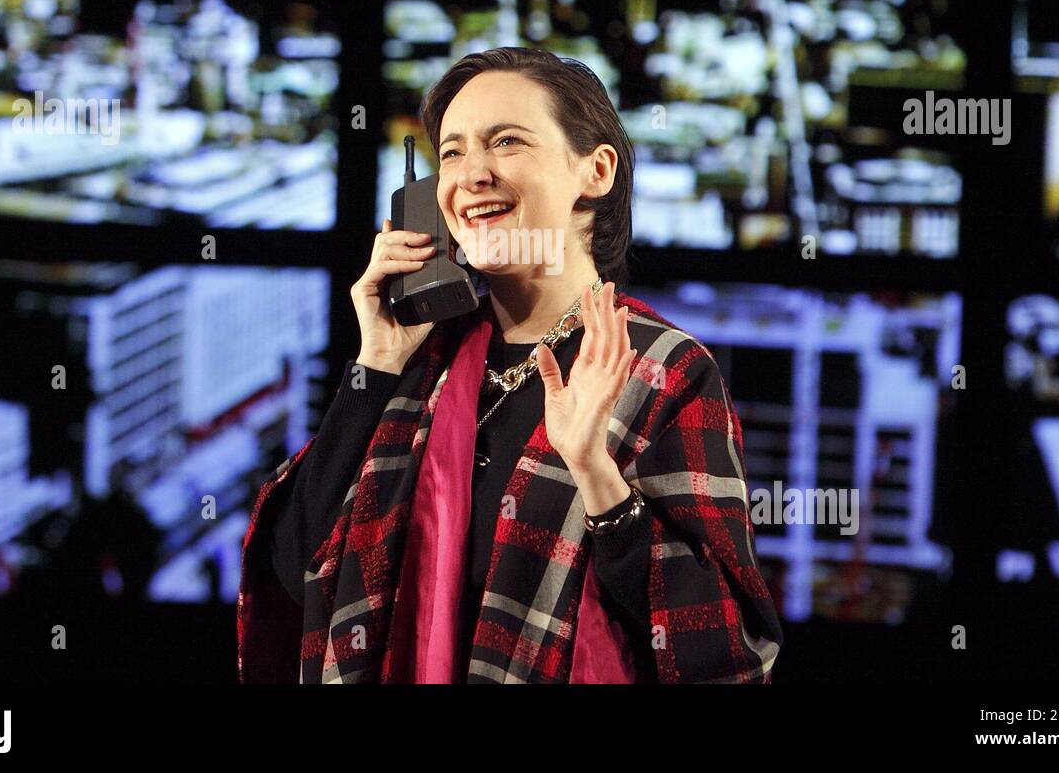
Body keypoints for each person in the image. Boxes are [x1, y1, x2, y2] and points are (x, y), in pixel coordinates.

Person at [236, 46, 782, 683]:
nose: (471, 175)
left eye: (506, 142)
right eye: (451, 152)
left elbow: (728, 656)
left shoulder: (665, 372)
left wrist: (598, 478)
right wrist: (375, 368)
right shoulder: (421, 360)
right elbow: (294, 570)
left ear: (596, 171)